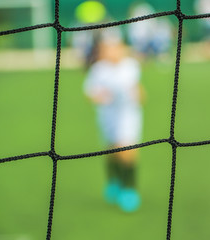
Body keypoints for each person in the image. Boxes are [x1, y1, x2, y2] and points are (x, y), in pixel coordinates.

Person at [83, 27, 143, 212]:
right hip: (107, 116)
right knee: (112, 150)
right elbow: (90, 92)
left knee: (128, 150)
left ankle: (129, 189)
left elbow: (137, 88)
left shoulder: (131, 66)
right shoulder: (98, 70)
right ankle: (113, 180)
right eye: (106, 48)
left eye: (114, 47)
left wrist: (139, 95)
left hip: (128, 115)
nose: (111, 52)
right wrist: (101, 97)